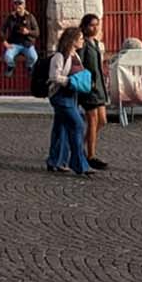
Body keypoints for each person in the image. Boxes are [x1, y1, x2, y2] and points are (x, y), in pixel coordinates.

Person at [44, 27, 95, 177]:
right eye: (79, 38)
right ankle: (80, 164)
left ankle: (55, 161)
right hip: (60, 97)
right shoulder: (59, 57)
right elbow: (54, 77)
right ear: (72, 40)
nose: (82, 41)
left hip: (72, 97)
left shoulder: (76, 57)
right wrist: (70, 81)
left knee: (61, 129)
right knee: (77, 124)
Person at [78, 14, 111, 170]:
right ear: (85, 27)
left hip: (99, 88)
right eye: (92, 25)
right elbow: (79, 64)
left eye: (97, 24)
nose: (95, 28)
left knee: (102, 120)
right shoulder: (83, 44)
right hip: (89, 88)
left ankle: (79, 145)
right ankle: (90, 156)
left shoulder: (96, 43)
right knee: (92, 120)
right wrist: (86, 80)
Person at [1, 0, 39, 77]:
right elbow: (2, 29)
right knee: (8, 56)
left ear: (24, 5)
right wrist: (4, 42)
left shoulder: (30, 17)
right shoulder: (11, 17)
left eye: (20, 4)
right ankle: (11, 66)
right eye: (16, 4)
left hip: (27, 44)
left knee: (34, 57)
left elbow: (37, 32)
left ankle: (29, 66)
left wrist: (28, 32)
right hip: (14, 43)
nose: (18, 6)